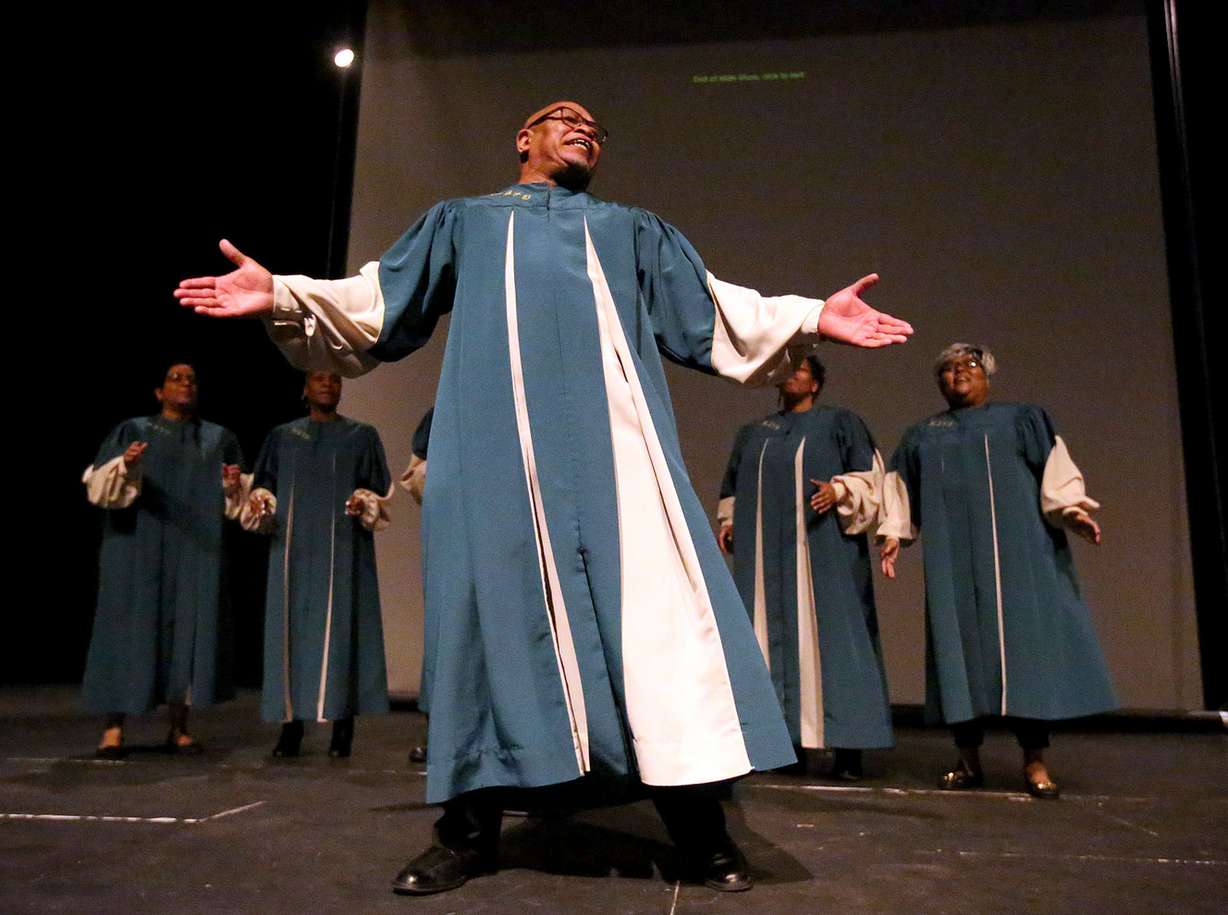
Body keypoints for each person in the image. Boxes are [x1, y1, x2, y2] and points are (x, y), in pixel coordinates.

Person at [175, 100, 912, 894]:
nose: (584, 126)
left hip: (621, 461)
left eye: (596, 124)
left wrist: (814, 315)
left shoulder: (632, 230)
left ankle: (702, 832)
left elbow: (712, 308)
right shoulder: (463, 221)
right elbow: (380, 299)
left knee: (659, 630)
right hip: (496, 463)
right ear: (523, 139)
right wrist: (282, 293)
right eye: (563, 116)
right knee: (485, 631)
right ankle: (467, 833)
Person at [877, 343, 1116, 798]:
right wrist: (893, 534)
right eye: (947, 369)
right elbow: (900, 490)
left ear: (987, 375)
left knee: (1026, 658)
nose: (957, 373)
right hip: (952, 565)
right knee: (957, 657)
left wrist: (1072, 510)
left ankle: (1035, 762)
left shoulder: (1021, 420)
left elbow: (1055, 474)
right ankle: (968, 760)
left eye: (968, 365)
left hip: (1017, 559)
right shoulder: (922, 435)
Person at [718, 355, 893, 780]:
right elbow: (733, 484)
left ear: (816, 383)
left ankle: (849, 749)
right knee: (766, 639)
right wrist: (729, 520)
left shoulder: (840, 423)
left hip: (823, 553)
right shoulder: (755, 432)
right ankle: (785, 746)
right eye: (788, 367)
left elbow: (871, 478)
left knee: (836, 643)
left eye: (803, 369)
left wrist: (840, 490)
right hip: (765, 559)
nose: (794, 373)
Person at [81, 363, 245, 758]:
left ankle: (179, 727)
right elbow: (99, 486)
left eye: (192, 379)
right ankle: (113, 728)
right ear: (158, 392)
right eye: (176, 378)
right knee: (125, 630)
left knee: (185, 630)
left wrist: (232, 487)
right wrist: (127, 465)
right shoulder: (133, 431)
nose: (185, 383)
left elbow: (238, 498)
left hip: (193, 549)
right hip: (135, 548)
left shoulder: (217, 438)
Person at [242, 371, 393, 758]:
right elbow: (263, 485)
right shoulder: (283, 437)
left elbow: (379, 490)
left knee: (342, 632)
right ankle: (290, 728)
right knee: (290, 632)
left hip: (343, 549)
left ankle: (343, 728)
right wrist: (261, 502)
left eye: (335, 379)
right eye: (319, 378)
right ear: (305, 388)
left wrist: (363, 502)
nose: (328, 384)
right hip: (292, 551)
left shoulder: (361, 436)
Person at [399, 406, 434, 765]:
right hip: (455, 534)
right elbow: (415, 476)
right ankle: (437, 731)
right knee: (448, 630)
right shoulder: (443, 411)